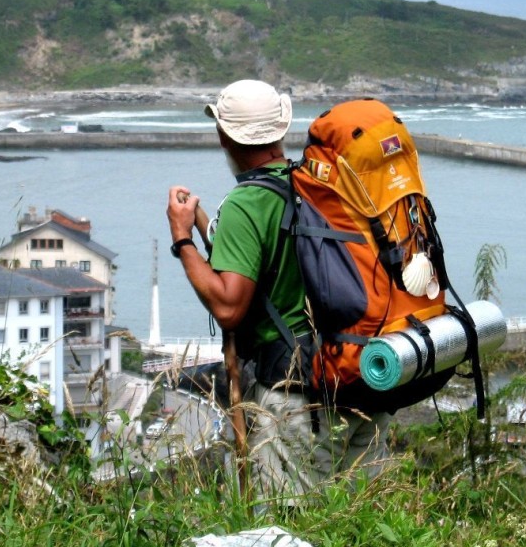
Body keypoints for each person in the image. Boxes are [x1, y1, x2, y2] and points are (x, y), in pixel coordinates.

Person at [166, 79, 391, 506]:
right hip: (357, 381)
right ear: (281, 131)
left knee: (289, 538)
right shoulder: (318, 186)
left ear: (223, 135)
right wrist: (203, 223)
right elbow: (274, 255)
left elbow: (230, 306)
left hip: (295, 402)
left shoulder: (247, 203)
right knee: (361, 532)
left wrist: (183, 241)